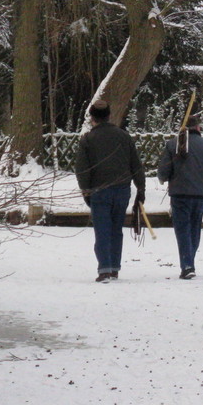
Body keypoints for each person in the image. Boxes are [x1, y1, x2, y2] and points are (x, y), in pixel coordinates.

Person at [75, 100, 145, 283]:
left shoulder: (88, 139)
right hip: (122, 189)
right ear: (109, 115)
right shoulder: (123, 136)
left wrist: (86, 191)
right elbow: (135, 164)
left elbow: (82, 169)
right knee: (116, 229)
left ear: (92, 118)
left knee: (102, 230)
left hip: (100, 190)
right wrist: (141, 188)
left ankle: (104, 269)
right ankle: (114, 267)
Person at [157, 115, 203, 280]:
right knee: (194, 229)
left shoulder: (173, 145)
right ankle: (189, 262)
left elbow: (163, 172)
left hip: (180, 194)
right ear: (198, 128)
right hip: (201, 195)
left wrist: (164, 177)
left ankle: (187, 265)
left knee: (182, 230)